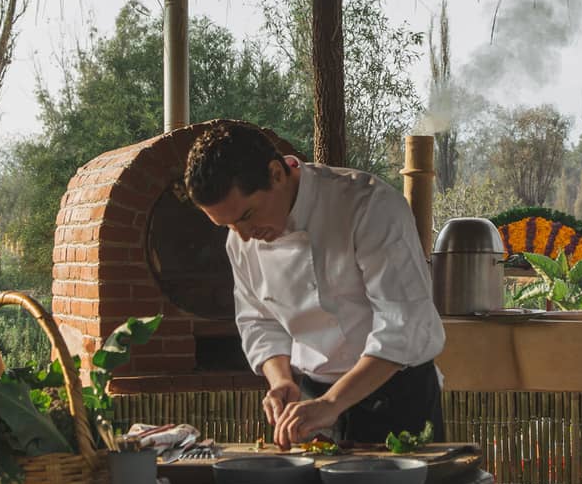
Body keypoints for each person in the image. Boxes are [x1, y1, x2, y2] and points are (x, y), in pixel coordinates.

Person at [184, 120, 447, 450]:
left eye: (247, 215)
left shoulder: (368, 205)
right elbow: (258, 320)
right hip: (312, 401)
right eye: (228, 225)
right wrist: (281, 381)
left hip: (395, 396)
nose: (244, 235)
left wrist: (334, 403)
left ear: (276, 174)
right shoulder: (241, 239)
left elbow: (402, 326)